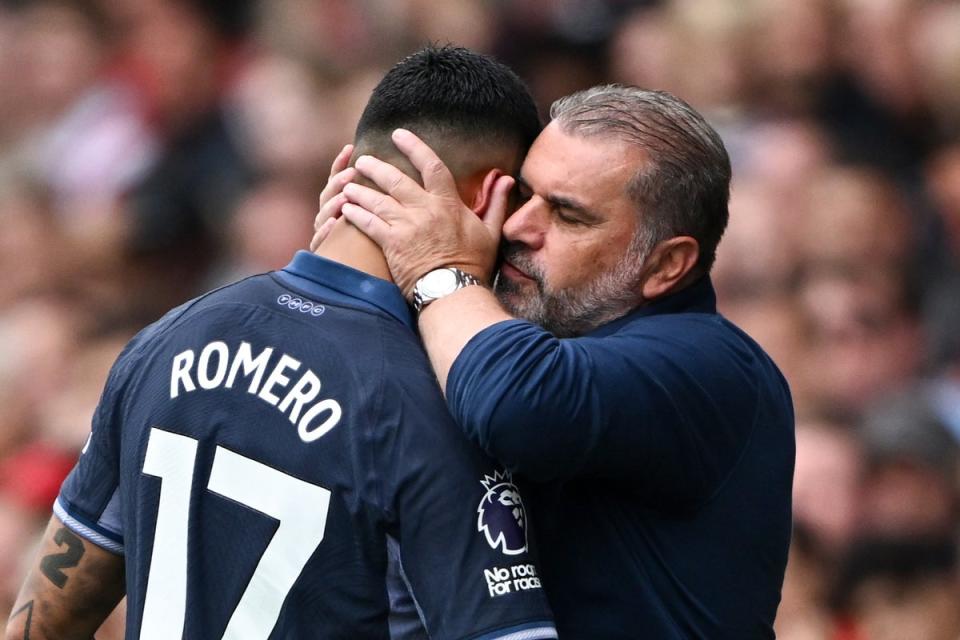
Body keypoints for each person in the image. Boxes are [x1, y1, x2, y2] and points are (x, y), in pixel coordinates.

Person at [4, 46, 557, 640]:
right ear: (486, 199)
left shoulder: (165, 339)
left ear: (346, 171)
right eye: (524, 203)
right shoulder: (437, 402)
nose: (528, 229)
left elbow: (40, 625)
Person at [323, 85, 796, 638]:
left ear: (666, 265)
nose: (520, 227)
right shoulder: (510, 331)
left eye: (568, 216)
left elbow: (515, 402)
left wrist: (438, 268)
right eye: (522, 195)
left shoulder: (713, 365)